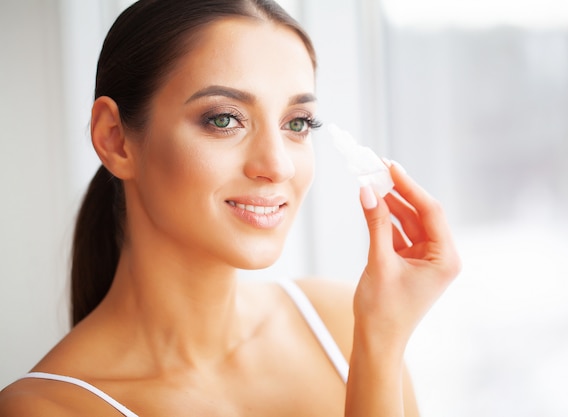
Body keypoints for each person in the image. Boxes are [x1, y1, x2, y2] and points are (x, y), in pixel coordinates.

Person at [0, 0, 460, 416]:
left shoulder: (346, 326)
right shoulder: (45, 409)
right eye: (224, 120)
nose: (276, 165)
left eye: (296, 123)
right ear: (115, 139)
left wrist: (379, 346)